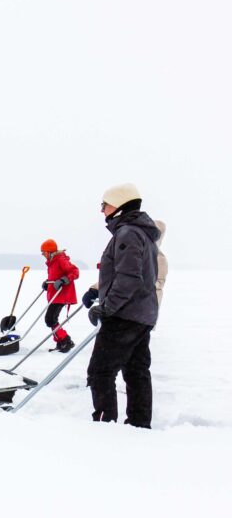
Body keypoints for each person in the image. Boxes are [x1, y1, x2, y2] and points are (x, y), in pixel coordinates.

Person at [81, 183, 159, 428]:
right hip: (140, 314)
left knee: (100, 371)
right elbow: (125, 274)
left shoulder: (128, 233)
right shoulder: (139, 233)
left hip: (124, 315)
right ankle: (138, 424)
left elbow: (128, 278)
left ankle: (105, 427)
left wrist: (107, 307)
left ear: (120, 205)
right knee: (136, 370)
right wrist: (98, 291)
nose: (102, 210)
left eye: (105, 205)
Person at [40, 239, 79, 353]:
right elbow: (55, 276)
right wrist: (48, 282)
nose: (43, 255)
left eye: (44, 252)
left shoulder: (60, 259)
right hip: (55, 295)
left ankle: (66, 340)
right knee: (51, 319)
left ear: (50, 252)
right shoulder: (52, 262)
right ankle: (61, 341)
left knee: (50, 319)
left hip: (61, 295)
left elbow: (75, 272)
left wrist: (65, 279)